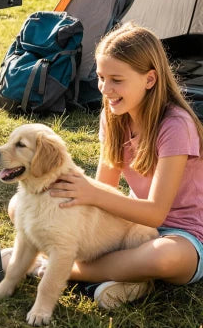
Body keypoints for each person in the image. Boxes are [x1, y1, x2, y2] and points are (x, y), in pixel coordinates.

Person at [46, 22, 203, 309]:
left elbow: (156, 213)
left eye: (116, 79)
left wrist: (91, 196)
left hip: (184, 234)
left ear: (150, 79)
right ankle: (133, 280)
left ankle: (61, 268)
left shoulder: (176, 125)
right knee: (25, 206)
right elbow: (105, 188)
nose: (106, 89)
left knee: (162, 258)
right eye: (101, 77)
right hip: (132, 226)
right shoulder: (114, 115)